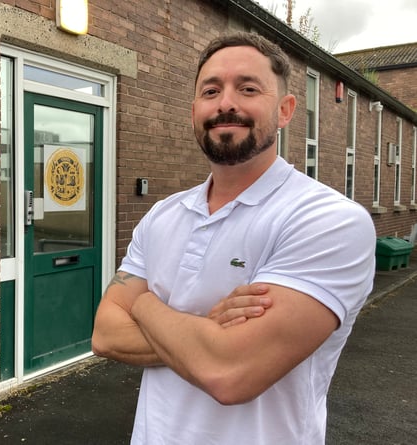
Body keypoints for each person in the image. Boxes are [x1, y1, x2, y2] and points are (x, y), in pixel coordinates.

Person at [91, 32, 375, 444]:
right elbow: (104, 333)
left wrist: (145, 303)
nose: (226, 103)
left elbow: (230, 372)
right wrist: (207, 329)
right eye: (211, 90)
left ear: (285, 110)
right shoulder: (163, 216)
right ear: (194, 111)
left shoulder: (328, 220)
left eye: (247, 88)